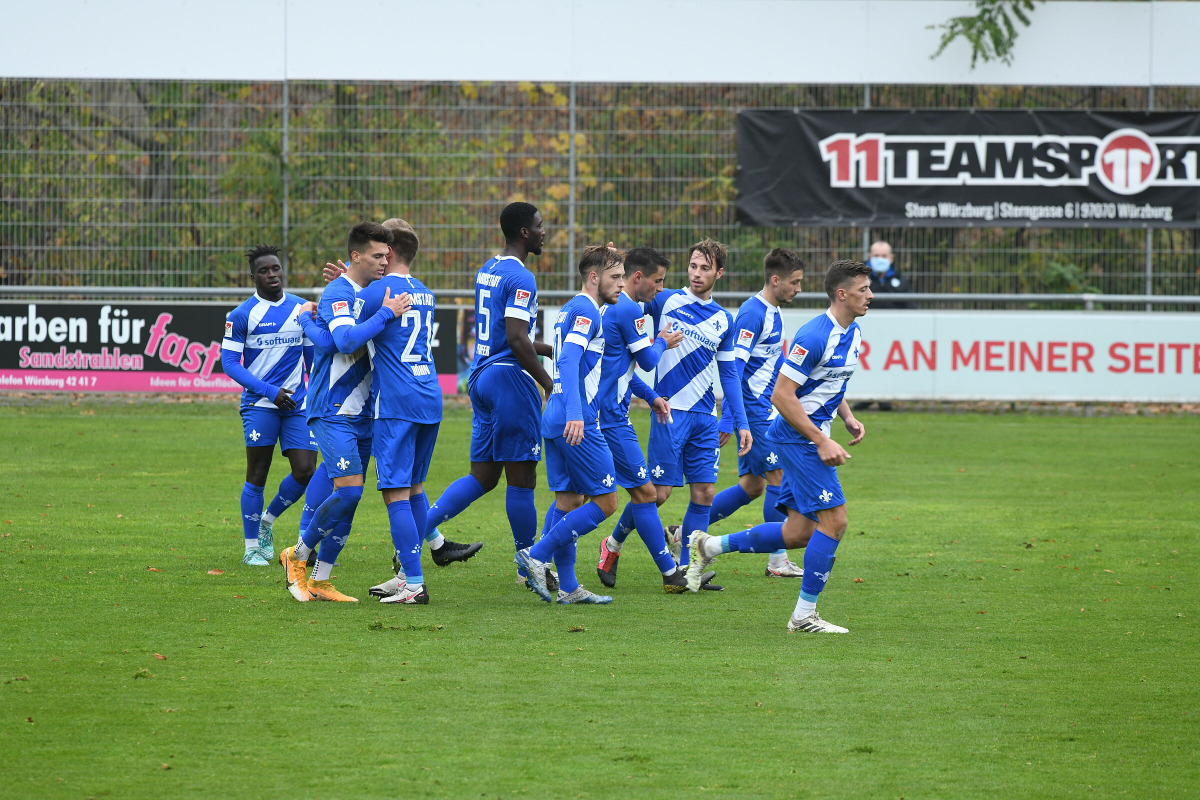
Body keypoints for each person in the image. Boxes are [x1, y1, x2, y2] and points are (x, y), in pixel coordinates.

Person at [685, 259, 871, 633]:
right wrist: (821, 439)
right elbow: (782, 395)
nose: (870, 295)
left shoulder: (853, 333)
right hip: (797, 438)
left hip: (807, 435)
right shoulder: (813, 336)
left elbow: (830, 382)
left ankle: (708, 546)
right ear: (842, 294)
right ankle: (803, 616)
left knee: (798, 531)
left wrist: (847, 416)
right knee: (835, 521)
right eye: (863, 289)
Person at [424, 202, 555, 581]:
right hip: (509, 382)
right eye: (540, 226)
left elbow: (507, 334)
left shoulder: (489, 269)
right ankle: (527, 566)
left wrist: (546, 348)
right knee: (522, 480)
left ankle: (411, 537)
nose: (544, 232)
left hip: (481, 378)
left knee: (482, 477)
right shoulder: (522, 277)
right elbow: (515, 338)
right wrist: (548, 383)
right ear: (525, 232)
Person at [607, 239, 751, 581]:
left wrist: (739, 421)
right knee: (657, 495)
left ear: (719, 273)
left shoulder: (724, 319)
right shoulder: (664, 298)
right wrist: (612, 264)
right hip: (669, 413)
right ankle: (613, 543)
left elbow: (730, 375)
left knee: (705, 492)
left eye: (705, 268)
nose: (696, 274)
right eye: (693, 266)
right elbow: (627, 295)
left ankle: (688, 569)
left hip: (705, 416)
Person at [279, 222, 408, 602]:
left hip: (365, 411)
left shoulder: (365, 293)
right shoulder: (339, 291)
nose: (384, 262)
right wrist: (386, 313)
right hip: (333, 408)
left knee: (349, 500)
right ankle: (297, 555)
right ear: (355, 256)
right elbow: (345, 340)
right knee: (349, 493)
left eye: (387, 256)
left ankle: (321, 581)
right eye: (377, 255)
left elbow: (336, 336)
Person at [515, 245, 627, 604]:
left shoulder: (571, 308)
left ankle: (567, 587)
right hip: (575, 419)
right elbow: (568, 359)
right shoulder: (587, 311)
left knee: (568, 501)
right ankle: (536, 556)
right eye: (615, 277)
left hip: (555, 414)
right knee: (606, 502)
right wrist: (577, 414)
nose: (621, 283)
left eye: (623, 276)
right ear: (594, 277)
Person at [708, 248, 806, 578]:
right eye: (795, 282)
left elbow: (772, 363)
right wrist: (729, 418)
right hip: (753, 412)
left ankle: (686, 533)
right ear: (776, 280)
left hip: (763, 409)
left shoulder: (773, 312)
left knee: (752, 486)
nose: (799, 289)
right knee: (779, 476)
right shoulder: (753, 313)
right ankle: (777, 561)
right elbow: (733, 368)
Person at [220, 244, 317, 566]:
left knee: (305, 471)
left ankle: (267, 520)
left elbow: (312, 359)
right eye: (264, 271)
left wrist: (316, 393)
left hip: (297, 404)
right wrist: (269, 391)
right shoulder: (241, 315)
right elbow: (229, 363)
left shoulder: (301, 309)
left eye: (275, 268)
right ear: (253, 277)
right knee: (258, 472)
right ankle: (252, 547)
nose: (272, 274)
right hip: (260, 403)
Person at [855, 240, 911, 412]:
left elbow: (910, 306)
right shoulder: (859, 280)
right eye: (876, 256)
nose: (880, 259)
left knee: (888, 365)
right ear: (869, 257)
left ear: (891, 258)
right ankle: (866, 396)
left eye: (884, 256)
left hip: (893, 333)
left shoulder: (900, 280)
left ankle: (884, 397)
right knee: (865, 364)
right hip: (865, 331)